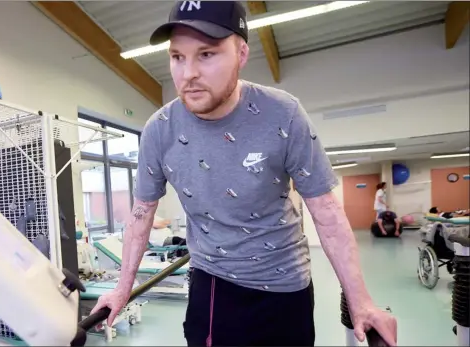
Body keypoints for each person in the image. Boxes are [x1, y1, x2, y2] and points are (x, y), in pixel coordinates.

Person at [90, 2, 397, 346]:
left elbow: (327, 214)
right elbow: (141, 213)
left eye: (206, 54)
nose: (188, 72)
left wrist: (361, 302)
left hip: (286, 286)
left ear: (242, 53)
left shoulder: (283, 113)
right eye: (177, 57)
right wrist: (122, 289)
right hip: (213, 282)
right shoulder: (159, 129)